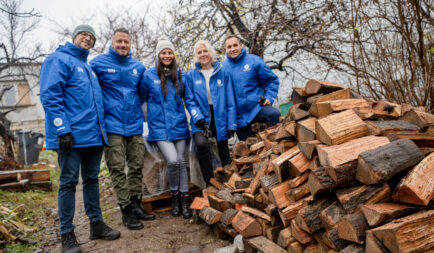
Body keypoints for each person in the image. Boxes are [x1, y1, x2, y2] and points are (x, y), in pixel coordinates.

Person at [40, 24, 120, 253]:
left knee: (92, 180)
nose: (88, 39)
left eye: (92, 37)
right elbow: (50, 95)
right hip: (71, 137)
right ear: (74, 36)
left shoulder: (87, 67)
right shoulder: (58, 60)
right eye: (84, 35)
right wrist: (62, 129)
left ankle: (96, 225)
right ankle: (67, 235)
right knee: (67, 183)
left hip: (93, 136)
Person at [90, 28, 155, 231]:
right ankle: (126, 210)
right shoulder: (98, 64)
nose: (123, 45)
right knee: (117, 168)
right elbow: (90, 89)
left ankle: (137, 205)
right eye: (119, 41)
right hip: (112, 126)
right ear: (112, 42)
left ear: (130, 43)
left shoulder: (137, 66)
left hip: (134, 124)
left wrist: (134, 109)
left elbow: (142, 93)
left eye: (126, 42)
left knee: (136, 166)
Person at [140, 36, 201, 219]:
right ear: (158, 55)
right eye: (163, 53)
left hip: (179, 125)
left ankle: (184, 201)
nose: (167, 55)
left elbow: (188, 99)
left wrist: (197, 117)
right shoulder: (149, 76)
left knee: (182, 162)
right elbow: (142, 98)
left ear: (173, 55)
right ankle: (174, 197)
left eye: (169, 52)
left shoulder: (180, 75)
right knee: (173, 161)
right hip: (159, 128)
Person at [185, 40, 237, 186]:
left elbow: (230, 100)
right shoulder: (191, 75)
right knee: (201, 145)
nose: (203, 54)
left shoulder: (222, 72)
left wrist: (231, 123)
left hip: (219, 115)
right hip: (200, 117)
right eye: (199, 52)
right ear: (196, 56)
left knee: (224, 150)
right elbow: (189, 100)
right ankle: (209, 182)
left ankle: (230, 183)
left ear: (210, 52)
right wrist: (198, 118)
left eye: (205, 51)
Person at [222, 35, 280, 141]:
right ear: (225, 50)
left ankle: (278, 145)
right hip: (239, 117)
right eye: (229, 47)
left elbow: (271, 80)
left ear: (241, 45)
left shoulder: (254, 61)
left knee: (275, 114)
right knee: (248, 150)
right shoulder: (222, 68)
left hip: (257, 108)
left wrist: (270, 97)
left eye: (235, 45)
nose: (233, 49)